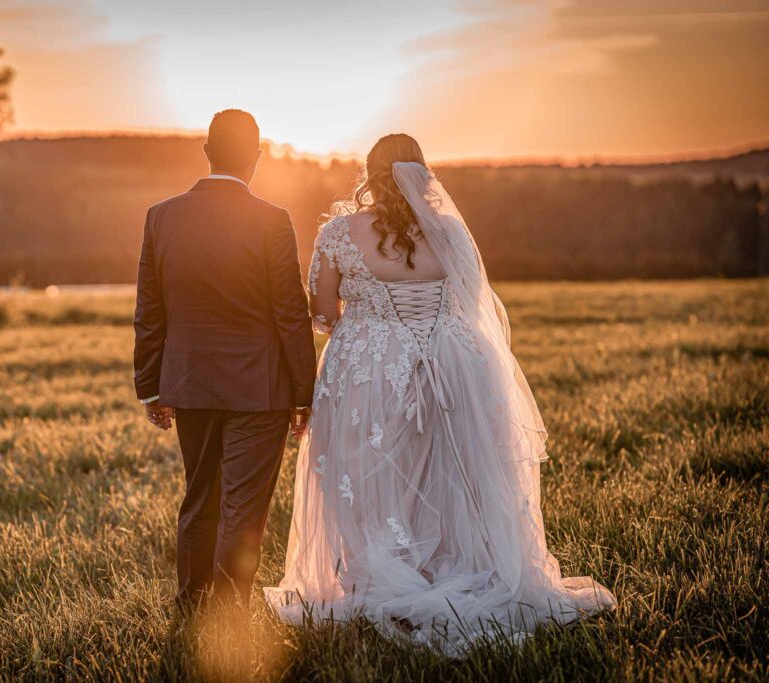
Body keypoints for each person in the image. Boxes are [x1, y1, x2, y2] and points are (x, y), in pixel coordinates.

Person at [264, 133, 616, 655]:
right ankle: (450, 565)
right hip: (454, 363)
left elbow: (321, 314)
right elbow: (471, 303)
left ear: (370, 172)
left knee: (369, 472)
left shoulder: (339, 232)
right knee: (450, 469)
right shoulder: (449, 231)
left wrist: (365, 317)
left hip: (370, 365)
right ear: (421, 172)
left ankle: (381, 571)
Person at [133, 109, 316, 612]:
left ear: (206, 152)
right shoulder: (272, 219)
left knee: (201, 494)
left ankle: (192, 602)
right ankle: (230, 611)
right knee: (243, 505)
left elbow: (149, 310)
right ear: (256, 158)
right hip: (260, 389)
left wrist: (150, 386)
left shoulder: (161, 215)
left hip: (188, 382)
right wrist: (305, 393)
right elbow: (290, 313)